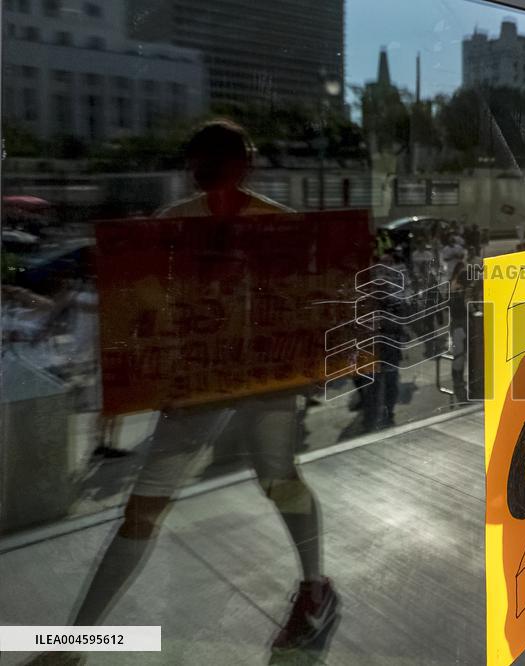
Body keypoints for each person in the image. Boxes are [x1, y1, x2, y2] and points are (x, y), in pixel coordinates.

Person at [59, 121, 337, 656]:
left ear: (239, 165)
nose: (207, 174)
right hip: (200, 380)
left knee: (277, 480)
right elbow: (147, 307)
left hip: (256, 376)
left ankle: (313, 587)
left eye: (218, 162)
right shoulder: (174, 223)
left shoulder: (275, 225)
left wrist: (309, 360)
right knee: (146, 510)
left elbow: (309, 304)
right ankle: (73, 641)